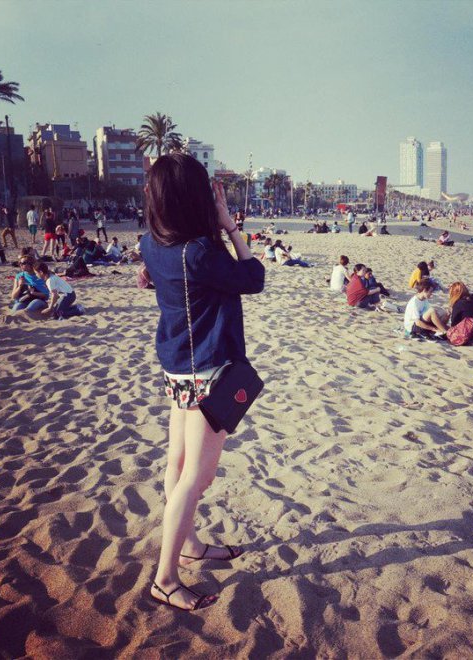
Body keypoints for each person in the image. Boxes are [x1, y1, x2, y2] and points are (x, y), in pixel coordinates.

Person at [139, 153, 265, 611]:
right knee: (198, 475)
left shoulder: (151, 242)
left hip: (177, 367)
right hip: (206, 371)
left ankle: (189, 544)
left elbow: (155, 278)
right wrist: (230, 227)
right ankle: (164, 578)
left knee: (176, 464)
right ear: (196, 198)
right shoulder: (199, 253)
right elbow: (254, 277)